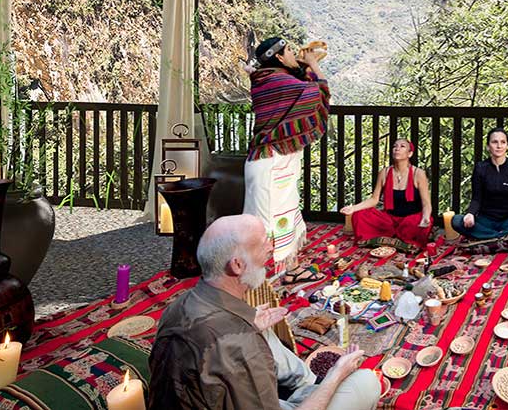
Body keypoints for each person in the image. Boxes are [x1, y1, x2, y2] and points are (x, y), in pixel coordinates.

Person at [149, 214, 381, 410]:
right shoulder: (242, 345)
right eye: (263, 244)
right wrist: (336, 374)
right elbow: (228, 350)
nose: (271, 248)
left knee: (262, 328)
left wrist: (251, 328)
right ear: (237, 265)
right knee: (367, 381)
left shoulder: (176, 307)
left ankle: (308, 384)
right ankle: (317, 388)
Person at [243, 37, 330, 272]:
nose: (294, 54)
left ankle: (283, 273)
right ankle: (259, 281)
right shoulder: (276, 81)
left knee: (281, 217)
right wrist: (314, 65)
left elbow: (300, 81)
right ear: (279, 57)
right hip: (270, 164)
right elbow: (316, 93)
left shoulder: (269, 78)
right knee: (267, 224)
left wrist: (305, 63)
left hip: (271, 161)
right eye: (290, 51)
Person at [452, 128, 508, 250]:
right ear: (488, 146)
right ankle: (504, 238)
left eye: (503, 142)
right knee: (456, 221)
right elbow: (476, 198)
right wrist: (470, 214)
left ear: (507, 146)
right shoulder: (480, 168)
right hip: (486, 221)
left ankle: (487, 240)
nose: (499, 146)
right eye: (494, 142)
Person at [340, 138, 433, 249]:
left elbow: (426, 203)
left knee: (420, 222)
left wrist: (425, 218)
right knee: (360, 215)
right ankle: (394, 237)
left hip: (410, 220)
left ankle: (397, 239)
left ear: (410, 153)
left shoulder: (418, 173)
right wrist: (353, 208)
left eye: (402, 146)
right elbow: (374, 199)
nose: (397, 148)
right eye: (395, 146)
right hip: (388, 220)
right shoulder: (384, 172)